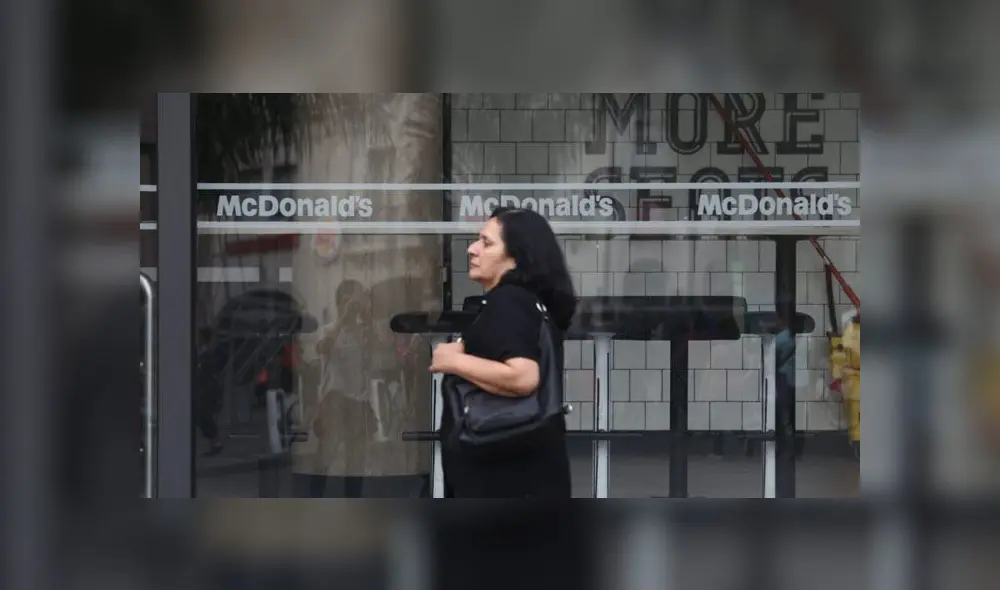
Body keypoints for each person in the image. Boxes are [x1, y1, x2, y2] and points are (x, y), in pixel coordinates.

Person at [428, 206, 576, 498]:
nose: (472, 249)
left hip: (503, 475)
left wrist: (452, 360)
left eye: (486, 243)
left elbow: (522, 377)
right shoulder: (527, 302)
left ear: (516, 257)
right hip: (527, 469)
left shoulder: (508, 301)